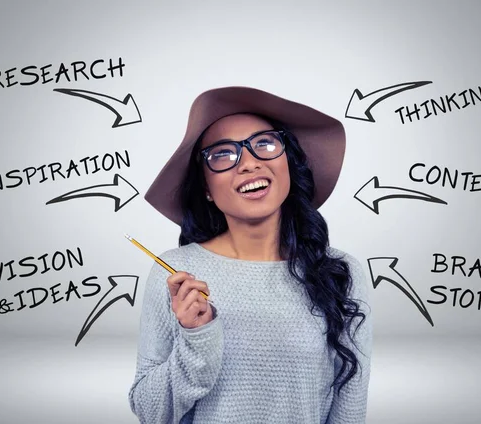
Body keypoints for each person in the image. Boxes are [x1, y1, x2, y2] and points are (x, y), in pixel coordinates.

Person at [128, 86, 372, 423]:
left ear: (289, 162)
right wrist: (197, 338)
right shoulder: (176, 274)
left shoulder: (340, 272)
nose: (249, 163)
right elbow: (149, 412)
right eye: (223, 155)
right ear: (207, 190)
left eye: (265, 144)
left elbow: (350, 409)